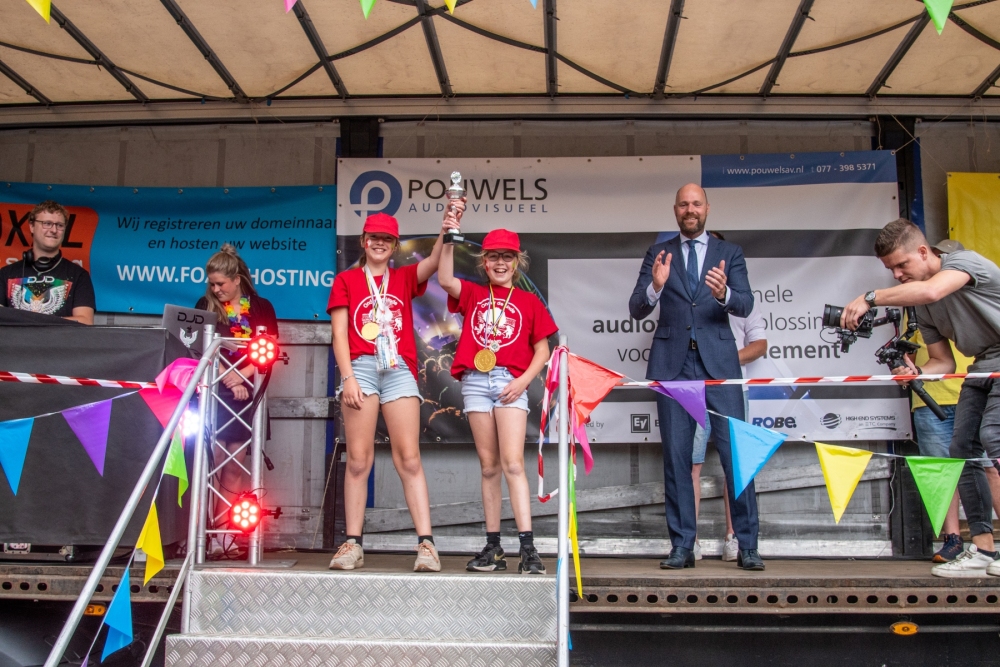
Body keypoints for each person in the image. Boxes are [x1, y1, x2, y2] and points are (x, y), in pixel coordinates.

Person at [841, 219, 1000, 577]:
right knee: (962, 450)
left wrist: (869, 297)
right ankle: (984, 549)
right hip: (982, 363)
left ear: (925, 252)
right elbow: (943, 362)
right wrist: (915, 373)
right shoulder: (922, 307)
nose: (897, 275)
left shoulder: (965, 263)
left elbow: (930, 291)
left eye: (902, 265)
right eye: (891, 270)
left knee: (994, 438)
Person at [628, 183, 763, 571]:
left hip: (719, 364)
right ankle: (683, 545)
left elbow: (745, 303)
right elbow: (636, 308)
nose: (690, 209)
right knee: (676, 459)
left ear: (707, 208)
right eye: (684, 204)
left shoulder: (729, 253)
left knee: (737, 456)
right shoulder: (658, 253)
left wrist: (724, 295)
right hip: (673, 366)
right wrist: (655, 286)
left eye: (696, 204)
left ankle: (748, 545)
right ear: (675, 210)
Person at [327, 208, 461, 573]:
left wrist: (446, 227)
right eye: (374, 237)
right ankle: (353, 544)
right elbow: (339, 333)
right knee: (358, 460)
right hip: (361, 368)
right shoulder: (346, 280)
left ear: (394, 245)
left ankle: (427, 545)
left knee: (409, 458)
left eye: (387, 239)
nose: (379, 243)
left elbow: (433, 261)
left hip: (397, 369)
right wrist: (348, 378)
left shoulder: (402, 278)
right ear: (363, 241)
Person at [438, 228, 558, 575]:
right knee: (489, 466)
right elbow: (444, 279)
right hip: (476, 381)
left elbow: (543, 350)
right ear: (484, 262)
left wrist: (522, 381)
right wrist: (448, 237)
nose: (500, 263)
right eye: (493, 256)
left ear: (517, 262)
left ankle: (528, 549)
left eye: (507, 257)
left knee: (513, 464)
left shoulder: (529, 302)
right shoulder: (474, 293)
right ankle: (493, 548)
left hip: (510, 381)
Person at [195, 244, 278, 553]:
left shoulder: (261, 307)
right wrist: (227, 377)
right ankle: (203, 531)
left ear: (237, 279)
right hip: (215, 391)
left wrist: (241, 376)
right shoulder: (204, 305)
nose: (216, 290)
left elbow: (270, 348)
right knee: (213, 459)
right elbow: (197, 347)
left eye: (221, 284)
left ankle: (225, 534)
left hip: (248, 391)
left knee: (235, 463)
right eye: (212, 284)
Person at [690, 232, 767, 562]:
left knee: (736, 466)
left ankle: (734, 538)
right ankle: (689, 540)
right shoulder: (686, 299)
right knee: (690, 464)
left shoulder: (742, 301)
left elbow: (760, 345)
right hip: (692, 391)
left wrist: (721, 360)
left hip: (734, 389)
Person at [0, 201, 95, 324]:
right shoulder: (5, 274)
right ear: (32, 226)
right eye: (47, 224)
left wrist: (32, 321)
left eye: (59, 225)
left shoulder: (79, 275)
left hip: (59, 338)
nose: (54, 230)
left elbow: (85, 321)